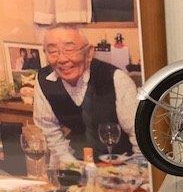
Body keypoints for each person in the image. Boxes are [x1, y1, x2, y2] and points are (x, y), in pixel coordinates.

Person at [33, 23, 140, 163]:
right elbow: (48, 130)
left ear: (89, 53)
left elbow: (140, 135)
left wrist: (135, 170)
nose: (62, 59)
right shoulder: (44, 79)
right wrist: (71, 164)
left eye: (69, 49)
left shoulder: (116, 79)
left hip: (123, 164)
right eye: (52, 51)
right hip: (78, 163)